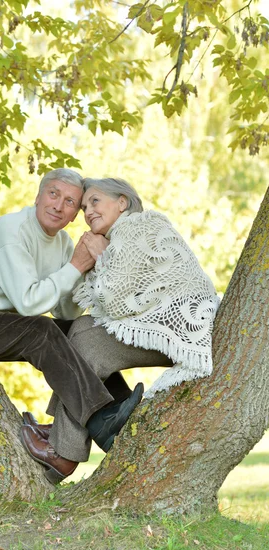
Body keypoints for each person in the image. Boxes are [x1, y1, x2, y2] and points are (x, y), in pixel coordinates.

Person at [0, 169, 143, 485]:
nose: (59, 205)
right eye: (53, 194)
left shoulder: (61, 243)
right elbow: (29, 303)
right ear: (38, 196)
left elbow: (65, 309)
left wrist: (86, 268)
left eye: (70, 202)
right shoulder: (11, 231)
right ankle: (101, 421)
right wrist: (75, 266)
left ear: (74, 216)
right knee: (40, 332)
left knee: (79, 328)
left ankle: (121, 413)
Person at [21, 177, 220, 469]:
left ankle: (63, 452)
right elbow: (71, 310)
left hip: (184, 332)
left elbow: (114, 303)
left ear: (122, 203)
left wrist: (100, 257)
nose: (88, 211)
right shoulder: (117, 239)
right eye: (85, 206)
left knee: (85, 338)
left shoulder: (141, 228)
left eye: (96, 201)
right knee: (81, 333)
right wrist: (81, 262)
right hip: (163, 331)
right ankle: (94, 426)